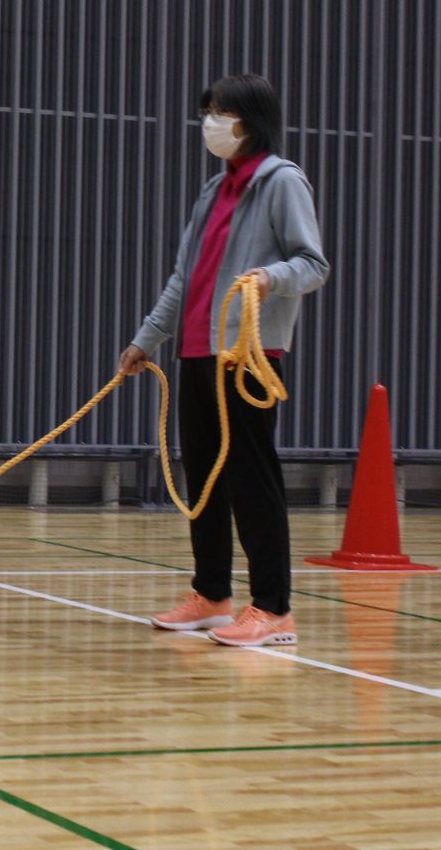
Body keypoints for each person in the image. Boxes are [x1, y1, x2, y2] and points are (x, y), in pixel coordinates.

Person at [120, 73, 329, 648]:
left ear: (251, 120)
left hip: (247, 355)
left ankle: (274, 608)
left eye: (222, 111)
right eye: (208, 109)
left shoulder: (282, 182)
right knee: (205, 477)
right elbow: (183, 280)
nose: (212, 121)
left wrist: (270, 276)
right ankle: (212, 594)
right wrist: (146, 340)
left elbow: (313, 264)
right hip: (195, 350)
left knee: (250, 478)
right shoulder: (214, 190)